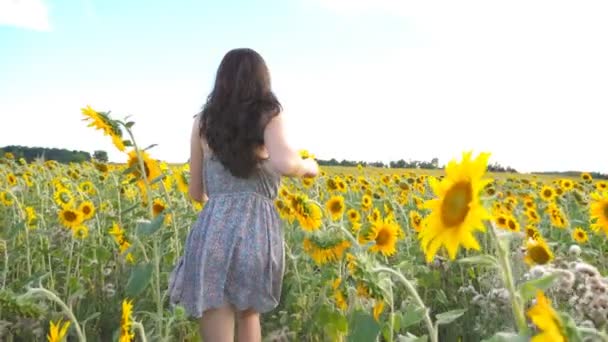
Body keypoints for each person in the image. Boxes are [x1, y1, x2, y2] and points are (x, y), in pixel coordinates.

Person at [168, 48, 318, 342]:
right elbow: (287, 163)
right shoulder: (269, 116)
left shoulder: (203, 122)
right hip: (255, 231)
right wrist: (310, 166)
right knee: (249, 314)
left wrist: (223, 208)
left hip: (212, 229)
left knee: (215, 308)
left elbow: (196, 192)